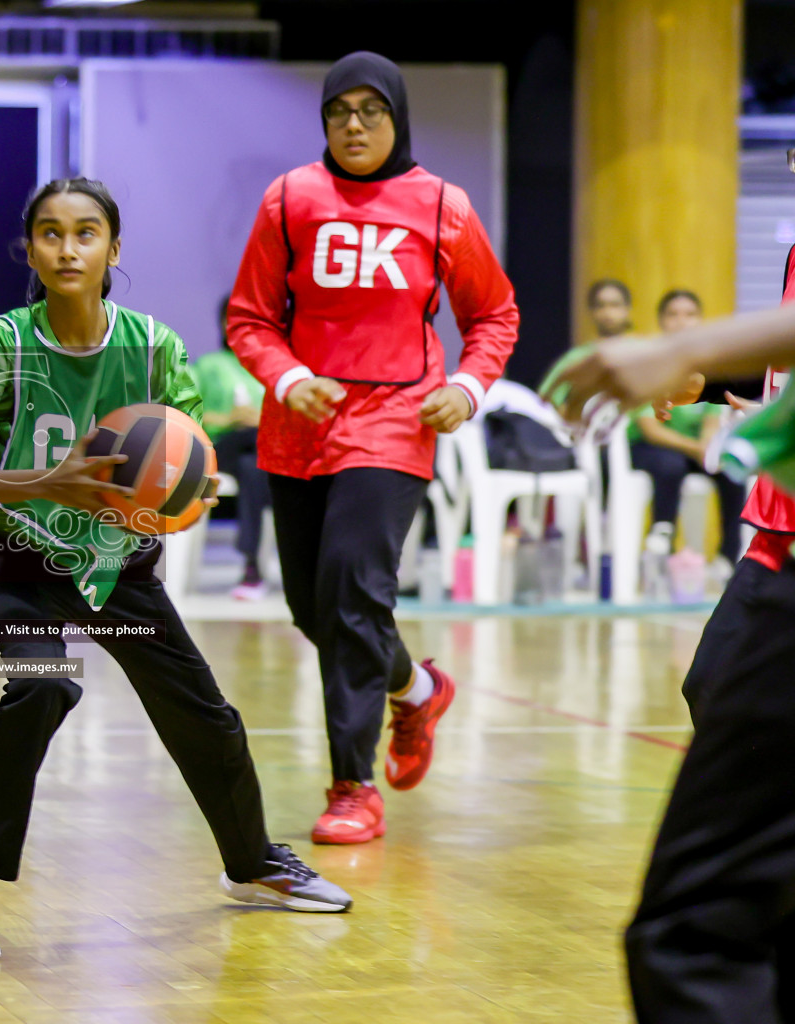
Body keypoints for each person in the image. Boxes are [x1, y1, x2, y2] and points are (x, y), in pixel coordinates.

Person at [0, 178, 352, 962]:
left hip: (115, 562)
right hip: (6, 553)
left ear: (114, 249)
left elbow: (191, 463)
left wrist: (189, 491)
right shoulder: (4, 342)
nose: (68, 247)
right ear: (32, 250)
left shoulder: (152, 346)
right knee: (43, 683)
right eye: (50, 233)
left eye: (86, 233)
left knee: (203, 712)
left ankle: (252, 863)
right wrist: (45, 483)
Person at [227, 51, 519, 845]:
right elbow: (249, 318)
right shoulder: (290, 198)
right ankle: (418, 688)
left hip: (395, 422)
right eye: (339, 111)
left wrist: (467, 387)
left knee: (355, 596)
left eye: (371, 110)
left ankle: (353, 787)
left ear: (398, 118)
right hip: (300, 421)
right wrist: (287, 380)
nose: (354, 125)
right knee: (315, 608)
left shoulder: (441, 206)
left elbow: (494, 316)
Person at [547, 219, 795, 1024]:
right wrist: (731, 377)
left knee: (690, 939)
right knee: (712, 679)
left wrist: (682, 348)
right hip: (778, 542)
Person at [627, 289, 745, 579]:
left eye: (690, 315)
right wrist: (696, 450)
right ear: (661, 321)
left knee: (731, 468)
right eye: (673, 314)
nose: (682, 322)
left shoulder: (712, 365)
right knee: (671, 464)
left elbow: (712, 422)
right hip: (648, 446)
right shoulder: (647, 362)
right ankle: (661, 545)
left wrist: (708, 450)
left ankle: (728, 559)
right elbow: (652, 429)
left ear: (700, 321)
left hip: (693, 448)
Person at [194, 294, 271, 599]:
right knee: (252, 442)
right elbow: (187, 412)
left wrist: (261, 419)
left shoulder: (268, 368)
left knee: (251, 468)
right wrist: (229, 418)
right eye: (231, 317)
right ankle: (254, 567)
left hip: (258, 456)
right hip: (219, 448)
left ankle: (252, 568)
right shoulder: (209, 365)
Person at [586, 278, 633, 343]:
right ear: (592, 311)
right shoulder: (582, 353)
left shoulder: (642, 351)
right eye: (600, 306)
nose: (607, 312)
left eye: (615, 305)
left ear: (627, 308)